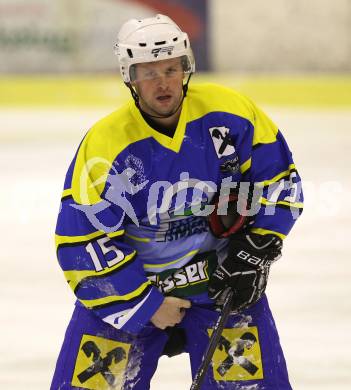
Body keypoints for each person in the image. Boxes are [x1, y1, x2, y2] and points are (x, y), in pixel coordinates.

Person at [51, 14, 303, 390]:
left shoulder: (229, 115)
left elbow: (279, 184)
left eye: (171, 69)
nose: (163, 82)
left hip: (222, 284)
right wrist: (148, 306)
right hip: (133, 291)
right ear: (130, 78)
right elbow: (81, 242)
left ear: (186, 68)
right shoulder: (106, 146)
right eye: (149, 72)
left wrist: (253, 252)